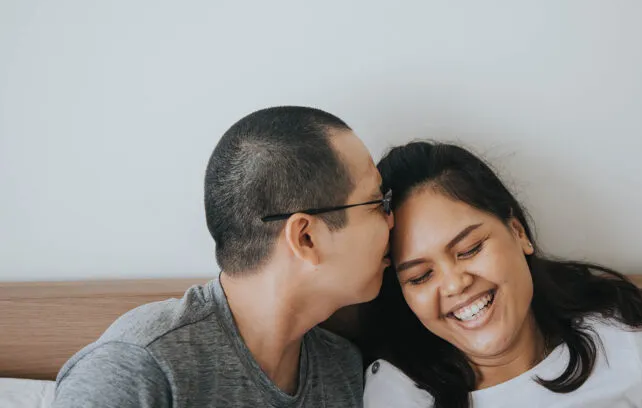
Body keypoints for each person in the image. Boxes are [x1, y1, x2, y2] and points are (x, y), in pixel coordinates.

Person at [54, 106, 394, 407]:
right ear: (305, 238)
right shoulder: (138, 367)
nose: (392, 220)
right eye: (378, 202)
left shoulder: (341, 370)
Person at [361, 141, 642, 408]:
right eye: (421, 276)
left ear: (518, 232)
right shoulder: (398, 391)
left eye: (470, 249)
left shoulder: (630, 343)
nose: (455, 284)